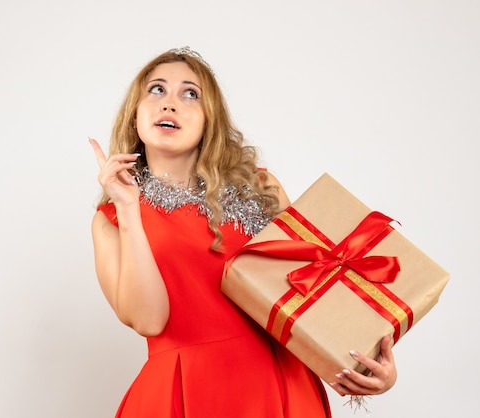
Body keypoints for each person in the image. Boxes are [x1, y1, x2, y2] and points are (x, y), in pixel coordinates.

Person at [89, 46, 397, 418]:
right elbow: (149, 320)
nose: (170, 104)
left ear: (209, 119)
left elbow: (318, 297)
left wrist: (371, 368)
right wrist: (128, 206)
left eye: (191, 94)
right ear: (134, 113)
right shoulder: (111, 218)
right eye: (156, 90)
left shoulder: (262, 187)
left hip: (281, 385)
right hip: (183, 392)